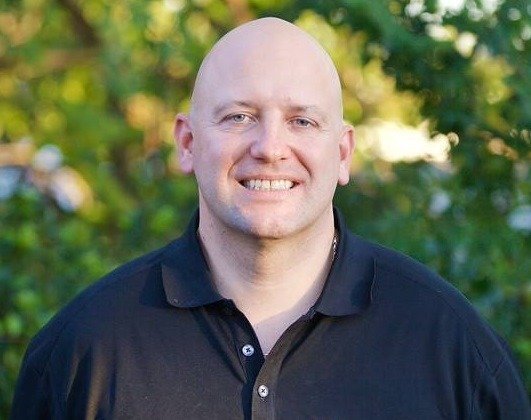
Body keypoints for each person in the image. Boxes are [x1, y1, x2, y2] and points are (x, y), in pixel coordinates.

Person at [11, 17, 530, 419]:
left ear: (342, 153)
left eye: (301, 121)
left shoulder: (451, 347)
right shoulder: (84, 350)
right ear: (187, 143)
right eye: (239, 117)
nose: (270, 147)